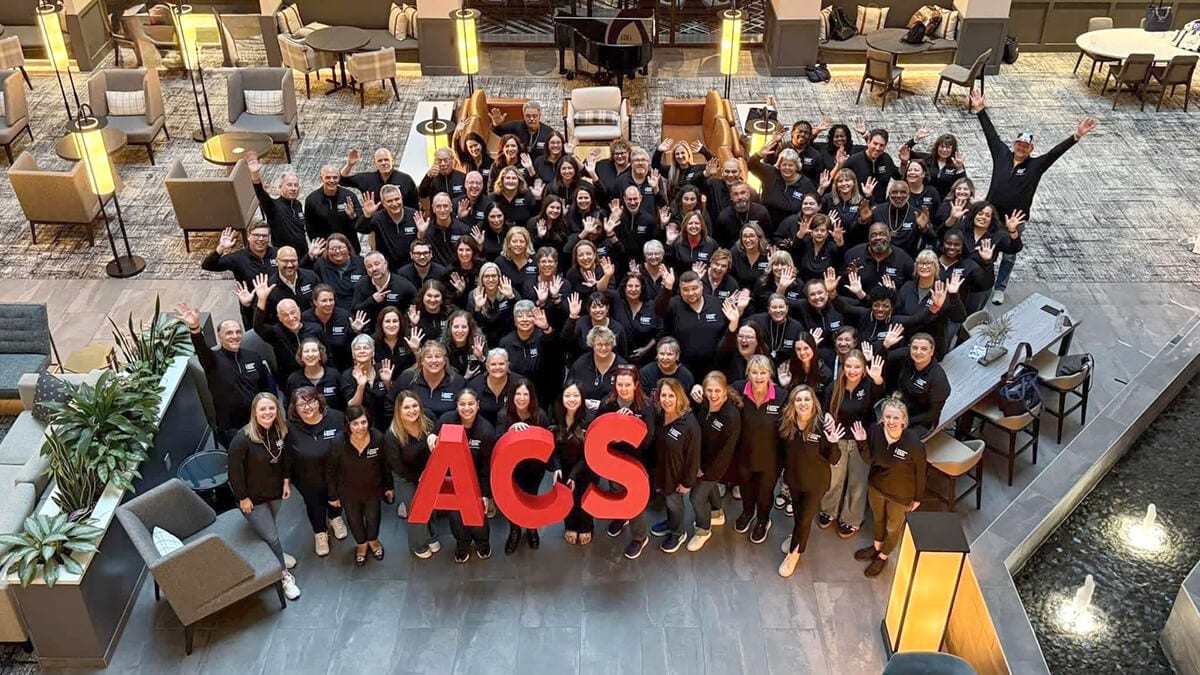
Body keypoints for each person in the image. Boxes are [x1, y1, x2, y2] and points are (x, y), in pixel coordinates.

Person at [969, 89, 1096, 304]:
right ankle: (983, 282)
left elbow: (1055, 153)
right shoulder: (1001, 155)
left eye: (1026, 146)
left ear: (1031, 148)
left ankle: (1000, 288)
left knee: (1009, 254)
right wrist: (980, 109)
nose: (1021, 148)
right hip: (993, 215)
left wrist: (1076, 136)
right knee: (987, 249)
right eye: (1019, 144)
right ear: (1014, 145)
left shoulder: (1036, 166)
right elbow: (990, 133)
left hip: (1015, 220)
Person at [228, 393, 300, 600]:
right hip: (253, 498)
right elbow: (234, 473)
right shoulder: (242, 440)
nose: (267, 412)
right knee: (271, 535)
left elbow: (286, 458)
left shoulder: (280, 430)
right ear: (254, 412)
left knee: (271, 529)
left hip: (275, 492)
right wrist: (243, 498)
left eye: (271, 408)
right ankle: (283, 576)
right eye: (262, 409)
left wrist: (286, 480)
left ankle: (274, 555)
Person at [177, 302, 274, 449]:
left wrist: (270, 411)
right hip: (232, 428)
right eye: (229, 333)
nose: (234, 336)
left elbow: (268, 388)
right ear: (220, 338)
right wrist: (195, 329)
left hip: (260, 420)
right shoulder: (212, 361)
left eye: (238, 332)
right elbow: (201, 349)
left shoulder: (253, 356)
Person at [853, 397, 926, 577]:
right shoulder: (875, 431)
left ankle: (883, 557)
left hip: (901, 496)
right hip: (877, 487)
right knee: (878, 519)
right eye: (888, 417)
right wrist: (861, 442)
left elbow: (921, 473)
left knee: (893, 528)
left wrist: (918, 498)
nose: (891, 422)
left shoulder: (914, 444)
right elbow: (869, 459)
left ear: (903, 420)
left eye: (895, 418)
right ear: (882, 418)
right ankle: (876, 547)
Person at [818, 349, 885, 540]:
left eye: (857, 367)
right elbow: (824, 409)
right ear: (843, 367)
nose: (852, 370)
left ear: (864, 369)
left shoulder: (869, 385)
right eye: (849, 366)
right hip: (837, 439)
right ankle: (828, 510)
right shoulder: (833, 387)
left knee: (857, 482)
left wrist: (878, 379)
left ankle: (852, 518)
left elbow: (881, 395)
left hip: (860, 441)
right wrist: (827, 417)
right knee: (833, 479)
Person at [777, 386, 843, 578]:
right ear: (793, 404)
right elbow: (783, 452)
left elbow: (834, 459)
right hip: (795, 480)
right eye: (799, 400)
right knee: (798, 515)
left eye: (807, 399)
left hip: (816, 483)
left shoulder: (822, 425)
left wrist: (832, 442)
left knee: (805, 518)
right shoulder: (787, 423)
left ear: (814, 402)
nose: (803, 403)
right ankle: (796, 536)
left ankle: (794, 553)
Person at [434, 389, 497, 562]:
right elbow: (434, 433)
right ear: (456, 406)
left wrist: (485, 494)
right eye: (462, 404)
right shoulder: (447, 419)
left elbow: (487, 467)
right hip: (453, 480)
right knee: (456, 518)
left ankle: (483, 543)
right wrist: (432, 436)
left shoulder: (486, 431)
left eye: (470, 404)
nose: (466, 408)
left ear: (478, 405)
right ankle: (462, 543)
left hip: (476, 482)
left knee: (478, 517)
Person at [326, 405, 393, 566]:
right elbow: (330, 471)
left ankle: (373, 540)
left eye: (363, 422)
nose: (360, 427)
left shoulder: (378, 438)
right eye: (355, 424)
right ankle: (361, 545)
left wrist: (389, 487)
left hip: (373, 489)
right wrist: (333, 495)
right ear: (347, 425)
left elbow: (385, 465)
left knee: (373, 517)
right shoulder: (338, 442)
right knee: (354, 519)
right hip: (348, 492)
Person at [602, 365, 658, 558]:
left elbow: (648, 438)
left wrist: (630, 425)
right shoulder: (608, 404)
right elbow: (600, 432)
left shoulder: (647, 406)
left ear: (635, 385)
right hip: (614, 459)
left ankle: (640, 537)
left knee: (635, 500)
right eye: (620, 385)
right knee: (617, 491)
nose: (623, 389)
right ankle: (621, 515)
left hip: (637, 460)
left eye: (627, 385)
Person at [286, 387, 347, 557]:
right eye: (301, 405)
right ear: (294, 408)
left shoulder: (336, 418)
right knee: (314, 506)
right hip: (306, 477)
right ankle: (320, 532)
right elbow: (286, 455)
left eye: (311, 401)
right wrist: (286, 479)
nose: (307, 407)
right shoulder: (289, 427)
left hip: (335, 474)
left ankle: (335, 518)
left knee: (335, 500)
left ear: (318, 401)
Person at [732, 355, 786, 544]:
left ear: (770, 374)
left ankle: (763, 520)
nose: (758, 377)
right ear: (748, 374)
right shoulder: (738, 390)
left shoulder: (781, 396)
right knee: (746, 490)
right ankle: (747, 513)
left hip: (770, 458)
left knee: (765, 493)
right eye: (754, 372)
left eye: (763, 372)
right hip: (744, 455)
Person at [382, 390, 442, 558]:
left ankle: (432, 536)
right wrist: (418, 478)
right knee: (417, 510)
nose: (412, 410)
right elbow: (397, 466)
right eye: (406, 407)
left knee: (430, 506)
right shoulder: (392, 435)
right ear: (398, 410)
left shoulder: (429, 419)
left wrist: (429, 473)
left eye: (415, 405)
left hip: (428, 472)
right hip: (405, 477)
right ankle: (418, 544)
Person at [496, 378, 552, 553]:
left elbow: (548, 442)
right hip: (511, 469)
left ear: (531, 396)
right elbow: (497, 438)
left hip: (534, 467)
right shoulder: (504, 415)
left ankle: (531, 528)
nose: (521, 398)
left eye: (525, 394)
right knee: (513, 501)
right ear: (512, 396)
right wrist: (511, 429)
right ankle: (514, 531)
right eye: (518, 394)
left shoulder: (540, 415)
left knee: (531, 498)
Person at [687, 371, 740, 552]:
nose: (713, 395)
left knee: (696, 498)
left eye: (717, 391)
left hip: (714, 465)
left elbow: (725, 450)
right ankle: (717, 513)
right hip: (700, 459)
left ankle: (703, 529)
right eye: (709, 390)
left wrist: (705, 469)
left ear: (725, 391)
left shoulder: (730, 416)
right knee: (709, 490)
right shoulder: (704, 405)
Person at [648, 378, 701, 554]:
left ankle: (678, 533)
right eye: (663, 395)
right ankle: (671, 524)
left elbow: (694, 456)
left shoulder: (689, 424)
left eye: (671, 396)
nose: (667, 400)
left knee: (674, 503)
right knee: (667, 502)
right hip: (662, 471)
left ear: (680, 397)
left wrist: (687, 482)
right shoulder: (660, 414)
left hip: (676, 476)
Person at [201, 224, 276, 326]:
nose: (261, 239)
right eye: (256, 235)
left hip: (277, 305)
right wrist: (221, 248)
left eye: (264, 236)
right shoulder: (238, 258)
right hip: (251, 306)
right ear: (249, 236)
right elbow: (208, 265)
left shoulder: (278, 254)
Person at [552, 381, 596, 545]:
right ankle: (570, 526)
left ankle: (586, 527)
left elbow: (589, 453)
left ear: (582, 398)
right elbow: (552, 446)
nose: (572, 399)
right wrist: (556, 467)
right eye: (567, 395)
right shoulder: (556, 415)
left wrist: (574, 475)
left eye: (576, 395)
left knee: (583, 497)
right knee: (567, 499)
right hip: (563, 466)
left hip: (585, 466)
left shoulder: (589, 419)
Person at [387, 341, 466, 420]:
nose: (434, 360)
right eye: (429, 357)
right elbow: (389, 404)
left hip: (448, 430)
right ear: (422, 361)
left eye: (438, 356)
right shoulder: (407, 378)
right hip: (414, 430)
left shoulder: (458, 382)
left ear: (445, 360)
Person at [248, 154, 309, 257]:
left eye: (296, 185)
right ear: (280, 187)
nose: (293, 188)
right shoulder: (273, 206)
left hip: (303, 253)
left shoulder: (297, 204)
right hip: (283, 256)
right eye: (289, 185)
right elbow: (261, 194)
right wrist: (255, 174)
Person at [894, 333, 950, 438]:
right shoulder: (908, 360)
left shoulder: (938, 379)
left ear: (932, 351)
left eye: (924, 349)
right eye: (914, 348)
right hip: (903, 409)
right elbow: (888, 356)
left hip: (922, 421)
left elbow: (932, 413)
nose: (918, 352)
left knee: (897, 438)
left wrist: (904, 421)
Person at [357, 185, 418, 271]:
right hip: (386, 268)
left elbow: (421, 239)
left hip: (411, 267)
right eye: (389, 201)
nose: (394, 203)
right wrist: (367, 215)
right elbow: (361, 229)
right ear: (383, 203)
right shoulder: (378, 218)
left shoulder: (414, 215)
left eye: (397, 199)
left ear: (401, 198)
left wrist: (422, 231)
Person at [305, 164, 362, 253]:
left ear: (339, 178)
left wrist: (353, 216)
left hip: (349, 248)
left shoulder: (349, 196)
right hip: (326, 250)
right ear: (321, 178)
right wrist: (320, 248)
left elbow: (361, 223)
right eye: (328, 177)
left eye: (335, 177)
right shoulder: (312, 200)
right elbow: (310, 228)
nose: (332, 181)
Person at [341, 334, 393, 427]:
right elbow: (352, 407)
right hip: (361, 426)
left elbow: (393, 398)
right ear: (353, 354)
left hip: (386, 422)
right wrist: (361, 386)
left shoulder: (382, 369)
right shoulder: (347, 375)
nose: (362, 351)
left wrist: (387, 383)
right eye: (358, 349)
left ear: (372, 353)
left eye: (365, 348)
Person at [340, 147, 418, 207]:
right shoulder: (366, 179)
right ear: (375, 163)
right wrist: (349, 165)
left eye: (386, 160)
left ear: (392, 161)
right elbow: (341, 180)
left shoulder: (405, 179)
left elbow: (415, 205)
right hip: (375, 223)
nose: (383, 163)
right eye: (380, 161)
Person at [353, 251, 418, 319]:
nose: (374, 269)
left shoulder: (404, 285)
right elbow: (355, 310)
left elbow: (415, 308)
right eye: (369, 266)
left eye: (377, 264)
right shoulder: (361, 285)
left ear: (385, 264)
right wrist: (372, 300)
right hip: (371, 327)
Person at [287, 337, 343, 410]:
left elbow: (343, 404)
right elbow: (290, 407)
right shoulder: (294, 380)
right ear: (301, 357)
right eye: (306, 351)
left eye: (314, 351)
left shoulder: (334, 375)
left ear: (320, 355)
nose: (310, 354)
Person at [265, 246, 319, 318]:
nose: (290, 265)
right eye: (285, 261)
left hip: (312, 325)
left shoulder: (311, 277)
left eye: (293, 261)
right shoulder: (270, 286)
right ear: (277, 262)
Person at [489, 100, 556, 157]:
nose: (531, 119)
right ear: (524, 115)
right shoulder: (516, 127)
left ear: (539, 116)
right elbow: (498, 131)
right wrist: (496, 125)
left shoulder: (548, 132)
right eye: (528, 116)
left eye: (534, 116)